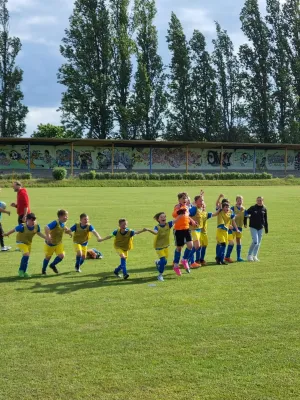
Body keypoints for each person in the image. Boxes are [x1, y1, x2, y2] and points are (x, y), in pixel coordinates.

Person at [3, 213, 46, 277]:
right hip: (20, 242)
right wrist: (6, 234)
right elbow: (14, 230)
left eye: (34, 219)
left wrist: (46, 238)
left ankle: (25, 271)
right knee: (26, 254)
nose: (33, 221)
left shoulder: (36, 226)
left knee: (27, 257)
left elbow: (38, 233)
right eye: (32, 220)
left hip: (28, 243)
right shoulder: (22, 226)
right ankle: (20, 271)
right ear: (27, 220)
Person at [172, 192, 197, 276]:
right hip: (178, 230)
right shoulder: (177, 206)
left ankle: (184, 259)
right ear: (179, 200)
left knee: (190, 245)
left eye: (185, 198)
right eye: (183, 198)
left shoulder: (186, 207)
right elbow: (174, 214)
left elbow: (188, 216)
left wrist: (192, 222)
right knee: (179, 248)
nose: (184, 200)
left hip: (186, 229)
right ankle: (176, 265)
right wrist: (179, 211)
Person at [145, 212, 174, 282]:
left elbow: (177, 220)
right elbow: (155, 232)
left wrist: (182, 213)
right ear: (158, 219)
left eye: (164, 217)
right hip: (159, 247)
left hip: (166, 246)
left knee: (164, 262)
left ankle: (158, 262)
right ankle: (160, 275)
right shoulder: (157, 227)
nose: (163, 218)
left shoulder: (168, 224)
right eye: (161, 217)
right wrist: (148, 229)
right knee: (163, 261)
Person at [42, 209, 72, 275]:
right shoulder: (55, 222)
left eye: (67, 216)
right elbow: (46, 227)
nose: (67, 217)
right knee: (48, 257)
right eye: (65, 216)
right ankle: (43, 270)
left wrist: (69, 232)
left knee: (62, 255)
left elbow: (64, 227)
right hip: (50, 244)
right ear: (60, 216)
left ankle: (52, 265)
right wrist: (48, 236)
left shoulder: (63, 222)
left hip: (58, 243)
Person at [225, 195, 248, 263]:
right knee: (231, 242)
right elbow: (232, 217)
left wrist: (245, 224)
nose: (239, 201)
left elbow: (245, 217)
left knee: (238, 241)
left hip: (239, 227)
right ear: (236, 201)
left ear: (242, 201)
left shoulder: (244, 209)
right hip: (233, 228)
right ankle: (227, 256)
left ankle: (238, 257)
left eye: (240, 200)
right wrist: (240, 212)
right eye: (238, 200)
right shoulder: (232, 208)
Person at [246, 196, 268, 262]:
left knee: (258, 243)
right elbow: (246, 213)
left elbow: (265, 219)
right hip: (253, 227)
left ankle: (255, 256)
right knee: (255, 241)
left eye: (260, 200)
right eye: (258, 200)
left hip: (261, 227)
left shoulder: (264, 208)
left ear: (263, 201)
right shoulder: (253, 208)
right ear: (256, 201)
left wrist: (266, 228)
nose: (259, 201)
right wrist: (247, 218)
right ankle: (249, 255)